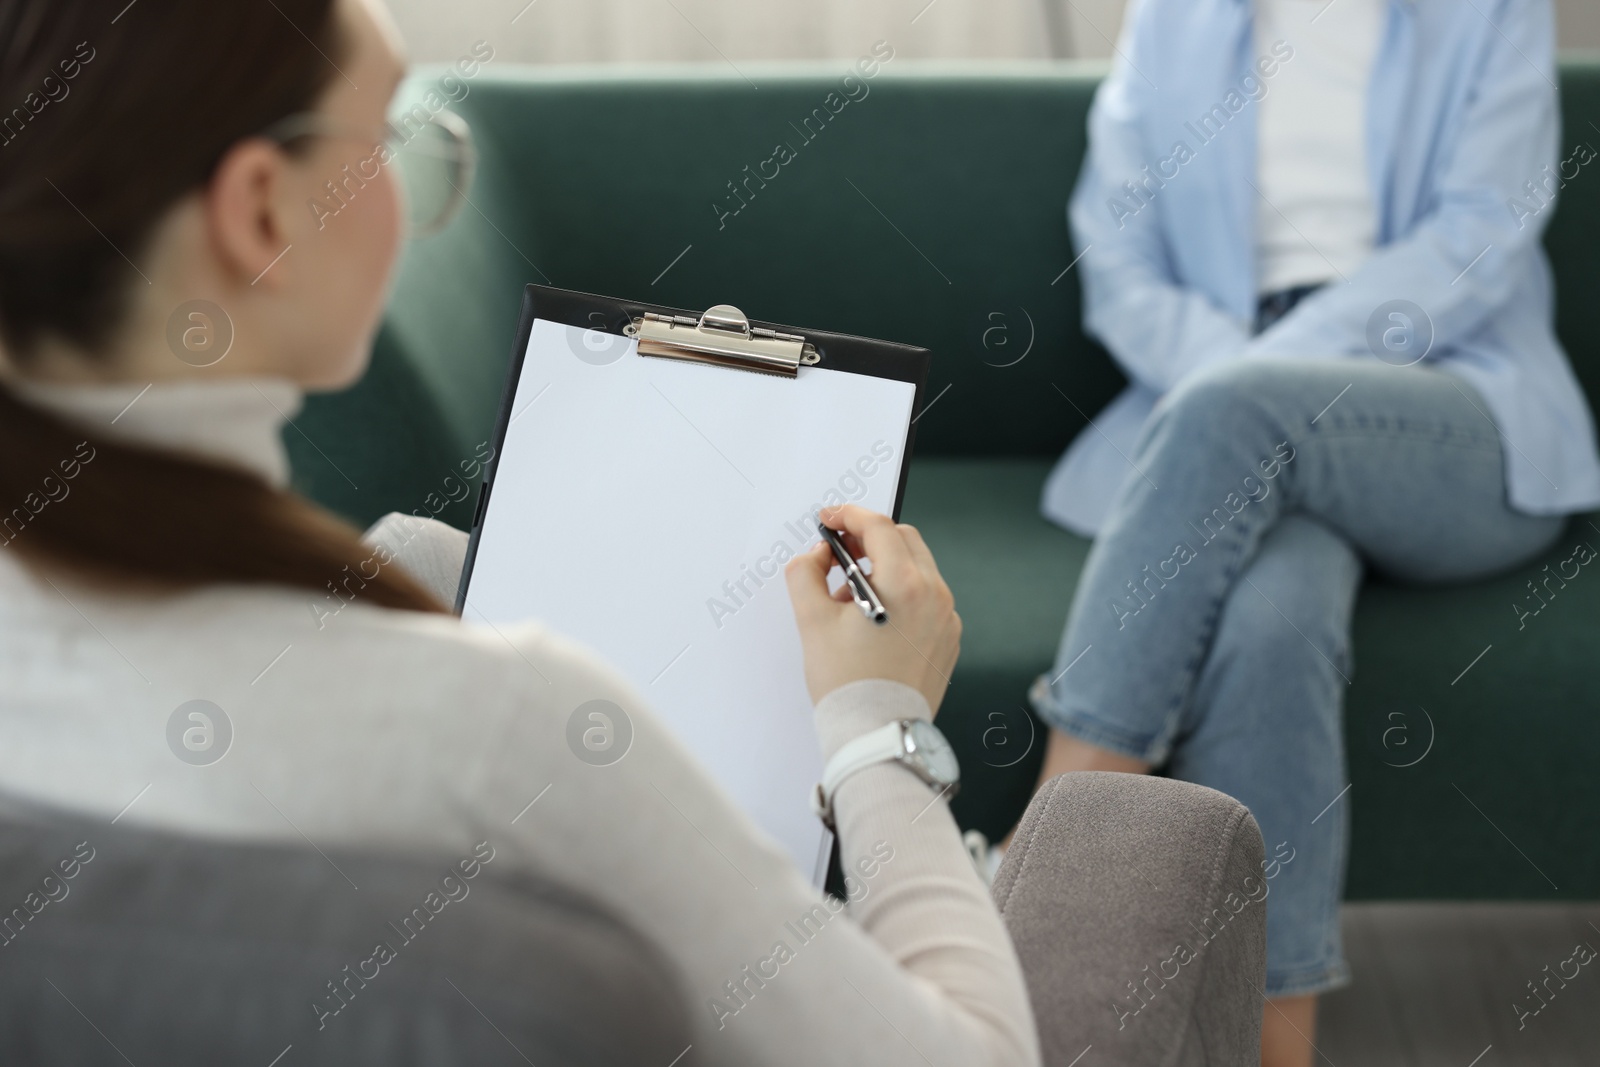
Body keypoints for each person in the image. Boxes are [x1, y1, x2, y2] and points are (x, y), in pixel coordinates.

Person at [0, 1, 1039, 1063]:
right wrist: (879, 726)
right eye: (391, 145)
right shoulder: (508, 725)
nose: (420, 209)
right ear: (262, 211)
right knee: (1150, 841)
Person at [1025, 0, 1600, 1064]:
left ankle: (1044, 856)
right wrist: (1238, 378)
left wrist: (1263, 381)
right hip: (1220, 403)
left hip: (1449, 399)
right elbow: (1118, 257)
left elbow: (1480, 238)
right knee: (1273, 618)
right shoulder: (1169, 18)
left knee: (1239, 420)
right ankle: (1272, 1044)